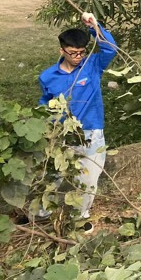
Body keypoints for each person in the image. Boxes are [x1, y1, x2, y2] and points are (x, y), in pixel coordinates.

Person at [38, 12, 118, 232]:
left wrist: (94, 26)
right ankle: (41, 213)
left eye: (82, 52)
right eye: (73, 53)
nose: (78, 57)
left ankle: (81, 216)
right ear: (62, 50)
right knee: (50, 174)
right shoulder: (47, 76)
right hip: (60, 133)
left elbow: (111, 48)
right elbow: (45, 103)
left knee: (89, 178)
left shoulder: (92, 65)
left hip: (91, 132)